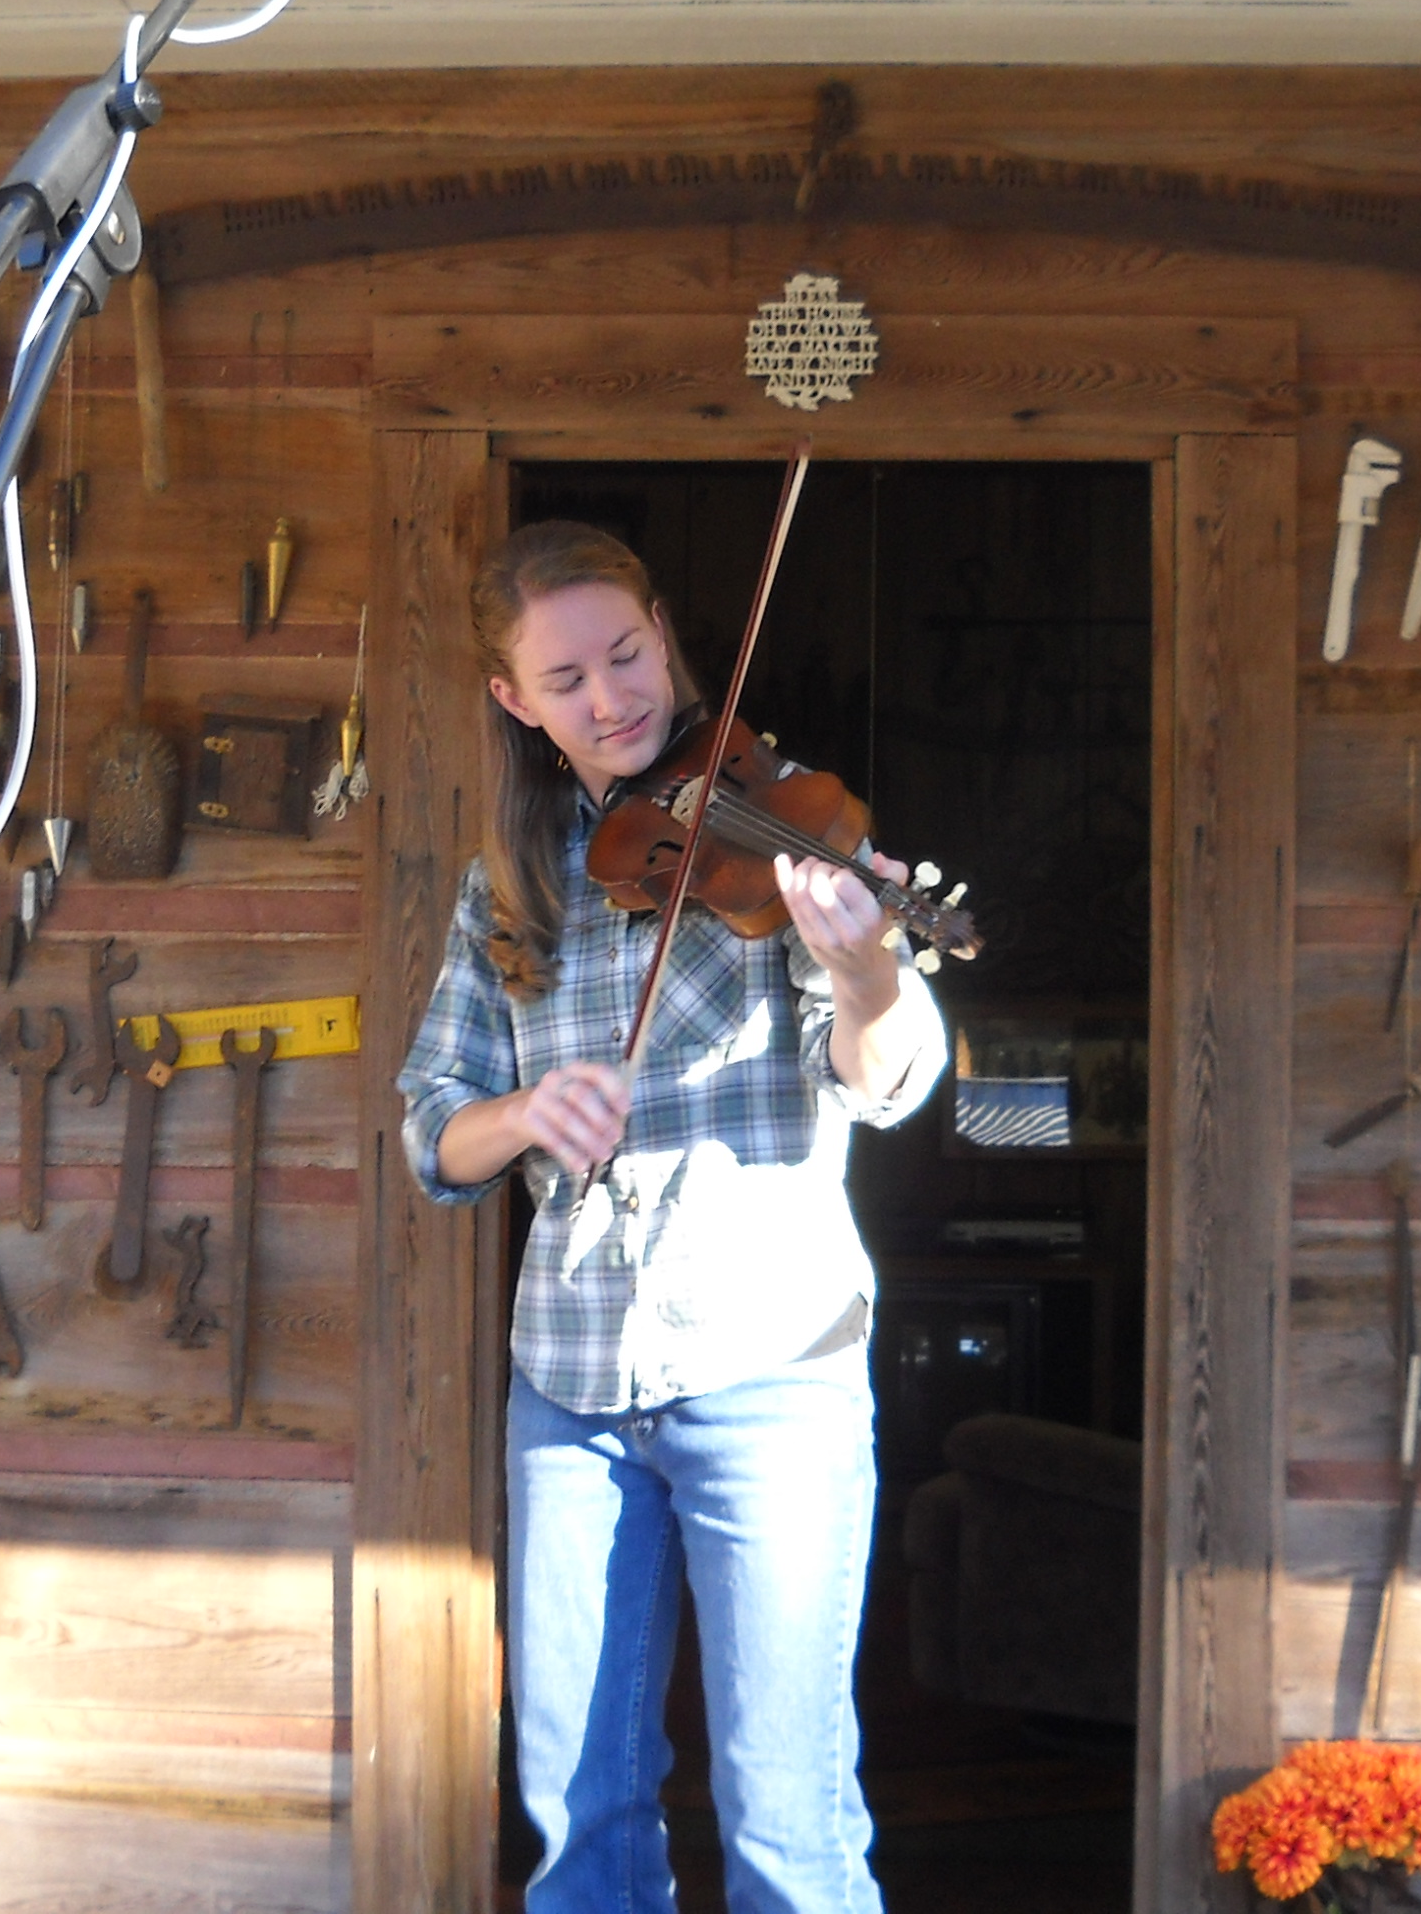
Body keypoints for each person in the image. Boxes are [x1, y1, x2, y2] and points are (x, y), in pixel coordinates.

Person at [395, 521, 946, 1914]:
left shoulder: (781, 830)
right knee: (578, 1814)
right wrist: (526, 1113)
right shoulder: (508, 884)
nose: (611, 699)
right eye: (565, 679)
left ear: (665, 638)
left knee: (787, 1822)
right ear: (515, 701)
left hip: (772, 1368)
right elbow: (432, 1128)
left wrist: (869, 974)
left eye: (627, 655)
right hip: (571, 1387)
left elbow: (885, 1084)